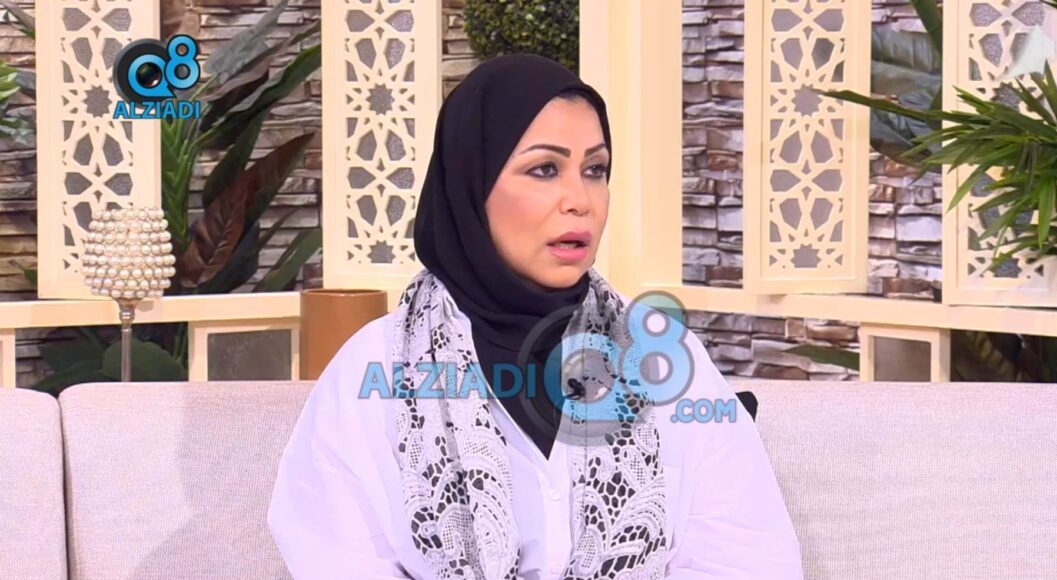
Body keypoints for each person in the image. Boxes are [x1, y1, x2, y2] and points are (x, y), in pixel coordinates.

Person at [268, 54, 803, 579]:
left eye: (595, 170)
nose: (580, 200)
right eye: (545, 169)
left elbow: (746, 557)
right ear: (472, 184)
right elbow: (336, 556)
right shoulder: (376, 366)